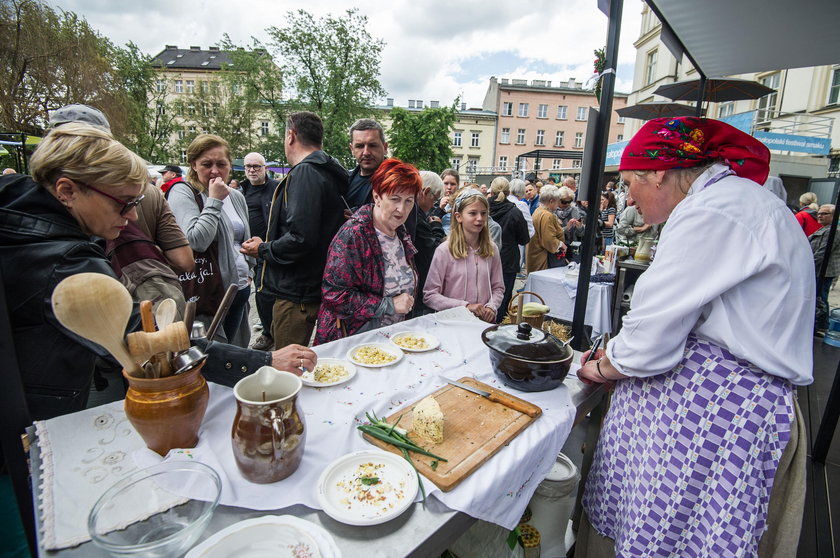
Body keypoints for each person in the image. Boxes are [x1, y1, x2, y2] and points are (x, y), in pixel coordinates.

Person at [575, 117, 813, 557]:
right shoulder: (736, 201)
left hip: (720, 417)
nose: (628, 196)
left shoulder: (713, 210)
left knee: (674, 542)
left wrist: (604, 365)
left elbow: (651, 333)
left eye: (630, 182)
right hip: (735, 405)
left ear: (658, 172)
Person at [0, 123, 317, 422]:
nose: (134, 215)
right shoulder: (68, 262)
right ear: (67, 191)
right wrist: (264, 361)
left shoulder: (20, 219)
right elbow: (153, 342)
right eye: (124, 203)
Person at [241, 112, 348, 348]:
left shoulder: (305, 172)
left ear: (291, 136)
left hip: (297, 293)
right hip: (314, 284)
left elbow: (301, 237)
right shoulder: (327, 170)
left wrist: (263, 249)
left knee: (287, 367)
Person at [315, 159, 420, 343]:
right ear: (377, 196)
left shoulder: (401, 232)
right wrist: (387, 305)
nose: (402, 209)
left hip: (390, 339)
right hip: (355, 341)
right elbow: (334, 294)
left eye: (408, 201)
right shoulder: (353, 235)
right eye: (394, 199)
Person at [168, 134, 254, 347]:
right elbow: (196, 241)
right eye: (207, 164)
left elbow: (241, 237)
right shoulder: (183, 193)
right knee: (213, 356)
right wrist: (214, 200)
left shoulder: (235, 196)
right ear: (193, 164)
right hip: (211, 293)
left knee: (236, 350)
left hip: (240, 288)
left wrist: (251, 269)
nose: (215, 170)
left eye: (221, 164)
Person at [424, 188, 504, 323]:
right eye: (472, 213)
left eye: (483, 213)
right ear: (458, 216)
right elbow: (430, 295)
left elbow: (498, 287)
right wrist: (464, 306)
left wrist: (491, 306)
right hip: (453, 324)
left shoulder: (491, 249)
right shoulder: (444, 251)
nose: (479, 218)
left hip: (482, 324)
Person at [239, 152, 279, 351]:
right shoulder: (240, 190)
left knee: (268, 291)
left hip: (272, 248)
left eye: (256, 166)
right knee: (261, 292)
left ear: (265, 168)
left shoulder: (276, 188)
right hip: (249, 251)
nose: (252, 170)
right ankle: (268, 331)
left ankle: (272, 332)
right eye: (248, 167)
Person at [488, 177, 530, 322]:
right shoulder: (515, 212)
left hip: (484, 257)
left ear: (491, 191)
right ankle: (496, 328)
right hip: (507, 261)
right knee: (502, 299)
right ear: (508, 192)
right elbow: (524, 238)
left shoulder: (482, 208)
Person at [412, 171, 447, 316]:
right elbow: (433, 252)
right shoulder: (416, 215)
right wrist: (437, 229)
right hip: (419, 283)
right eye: (435, 200)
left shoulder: (416, 213)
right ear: (425, 192)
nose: (433, 205)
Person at [345, 118, 388, 209]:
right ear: (352, 149)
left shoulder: (398, 181)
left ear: (385, 147)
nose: (366, 152)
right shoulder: (343, 180)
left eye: (372, 145)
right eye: (359, 146)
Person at [810, 204, 840, 332]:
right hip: (818, 270)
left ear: (834, 216)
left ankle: (822, 325)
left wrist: (808, 265)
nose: (820, 215)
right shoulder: (823, 229)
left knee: (821, 298)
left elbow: (822, 253)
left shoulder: (832, 231)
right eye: (819, 213)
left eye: (824, 213)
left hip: (823, 271)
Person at [526, 185, 565, 272]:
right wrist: (561, 245)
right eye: (557, 201)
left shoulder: (538, 210)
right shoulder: (547, 215)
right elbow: (548, 239)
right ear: (551, 201)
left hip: (535, 255)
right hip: (542, 258)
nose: (558, 204)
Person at [430, 168, 460, 234]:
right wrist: (440, 208)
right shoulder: (433, 201)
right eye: (446, 183)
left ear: (458, 185)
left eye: (452, 184)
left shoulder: (461, 203)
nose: (449, 187)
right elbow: (428, 221)